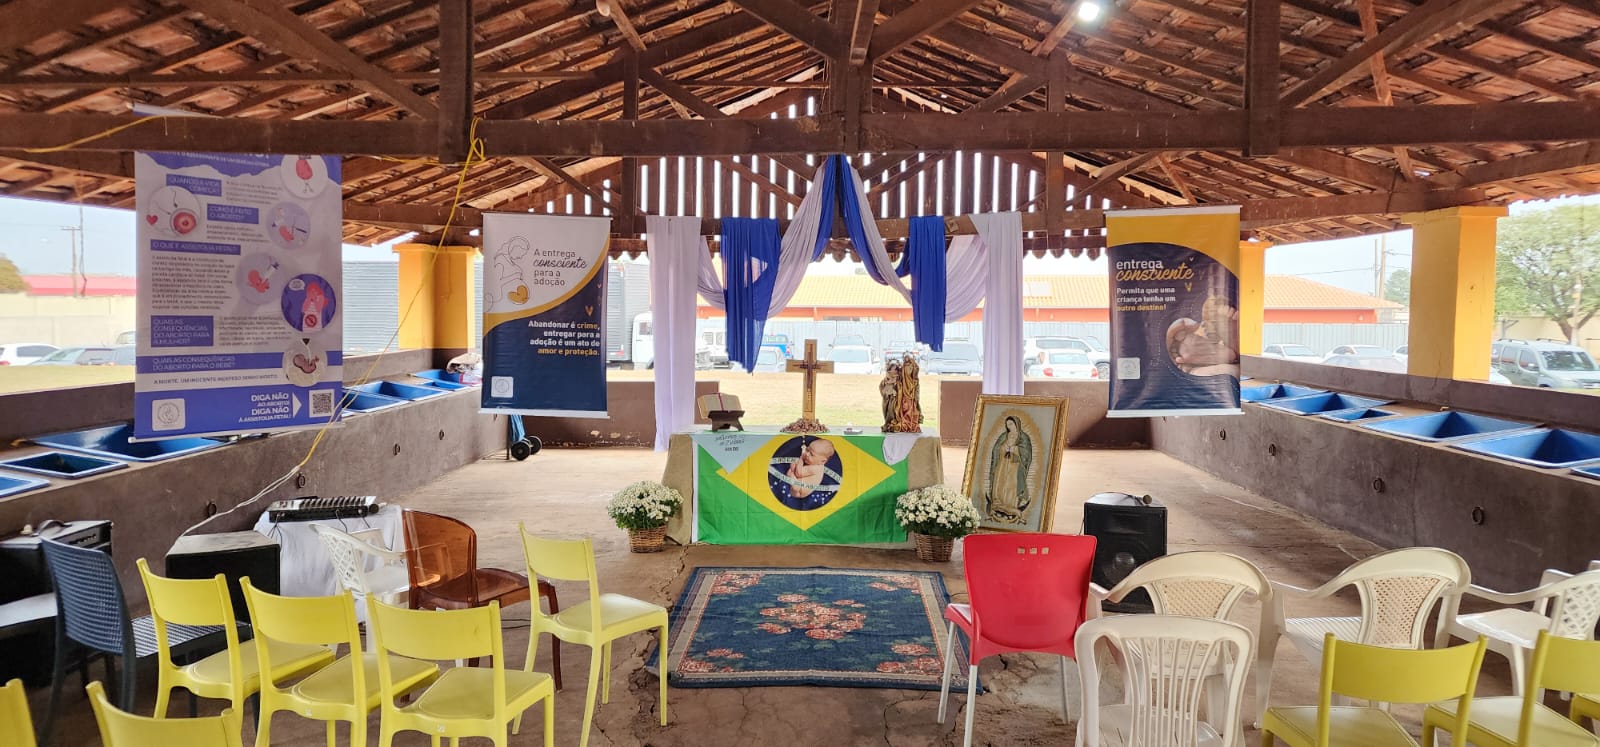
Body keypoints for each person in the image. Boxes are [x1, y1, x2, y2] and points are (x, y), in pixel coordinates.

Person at [985, 416, 1032, 524]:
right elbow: (996, 448)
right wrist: (1003, 448)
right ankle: (997, 504)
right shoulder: (1004, 436)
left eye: (1011, 424)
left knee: (1011, 485)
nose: (1009, 426)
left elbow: (1026, 453)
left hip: (1014, 466)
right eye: (1007, 424)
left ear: (1016, 424)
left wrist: (1015, 449)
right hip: (1002, 464)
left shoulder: (1023, 437)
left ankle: (1011, 507)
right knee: (999, 484)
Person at [880, 360, 901, 430]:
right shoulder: (885, 379)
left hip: (894, 398)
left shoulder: (898, 379)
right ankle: (887, 423)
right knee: (886, 410)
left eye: (896, 369)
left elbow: (900, 388)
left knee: (892, 411)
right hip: (887, 398)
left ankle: (893, 423)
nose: (895, 371)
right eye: (894, 369)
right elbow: (881, 387)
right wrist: (884, 393)